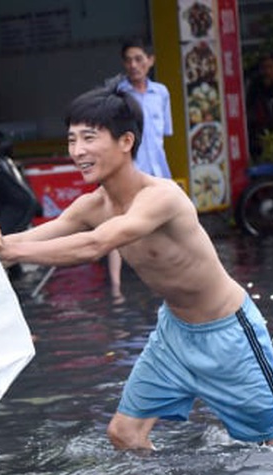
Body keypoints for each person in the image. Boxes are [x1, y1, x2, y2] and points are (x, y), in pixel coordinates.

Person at [0, 86, 273, 450]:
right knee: (124, 434)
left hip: (229, 334)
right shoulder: (93, 206)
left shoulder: (161, 197)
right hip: (174, 335)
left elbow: (96, 245)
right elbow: (33, 238)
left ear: (126, 141)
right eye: (72, 139)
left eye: (89, 138)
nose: (78, 151)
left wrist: (9, 247)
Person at [110, 39, 173, 301]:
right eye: (129, 60)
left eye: (139, 59)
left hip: (157, 170)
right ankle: (115, 287)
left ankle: (165, 279)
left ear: (150, 60)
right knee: (117, 221)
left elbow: (164, 133)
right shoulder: (119, 94)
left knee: (162, 225)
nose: (134, 65)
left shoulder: (161, 93)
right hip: (129, 169)